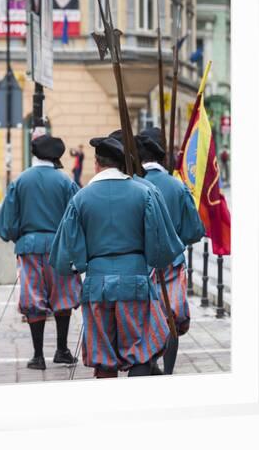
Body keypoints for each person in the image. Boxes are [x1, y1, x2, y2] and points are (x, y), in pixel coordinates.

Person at [50, 136, 185, 378]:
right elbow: (161, 246)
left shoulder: (81, 198)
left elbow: (66, 252)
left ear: (96, 163)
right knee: (142, 350)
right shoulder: (143, 193)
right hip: (135, 279)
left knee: (103, 356)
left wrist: (78, 266)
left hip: (97, 282)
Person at [0, 134, 82, 370]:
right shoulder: (66, 182)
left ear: (34, 153)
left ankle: (38, 356)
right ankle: (62, 350)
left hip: (29, 247)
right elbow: (76, 219)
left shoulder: (21, 181)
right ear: (56, 156)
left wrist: (21, 238)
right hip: (60, 247)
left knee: (33, 297)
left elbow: (7, 222)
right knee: (63, 296)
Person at [135, 128, 205, 374]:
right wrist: (176, 238)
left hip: (139, 263)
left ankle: (150, 362)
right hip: (172, 264)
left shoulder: (133, 184)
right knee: (170, 318)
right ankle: (168, 371)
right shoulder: (177, 186)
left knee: (145, 317)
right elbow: (195, 230)